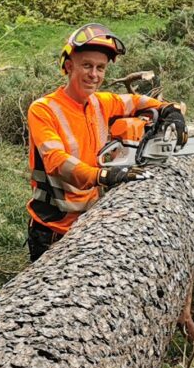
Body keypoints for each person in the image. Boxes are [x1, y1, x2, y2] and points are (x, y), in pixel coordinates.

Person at [25, 24, 181, 262]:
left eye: (101, 68)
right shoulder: (44, 109)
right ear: (69, 66)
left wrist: (169, 110)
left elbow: (136, 101)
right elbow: (56, 161)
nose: (94, 75)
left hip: (89, 221)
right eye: (87, 65)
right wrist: (105, 176)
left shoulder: (100, 102)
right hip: (52, 228)